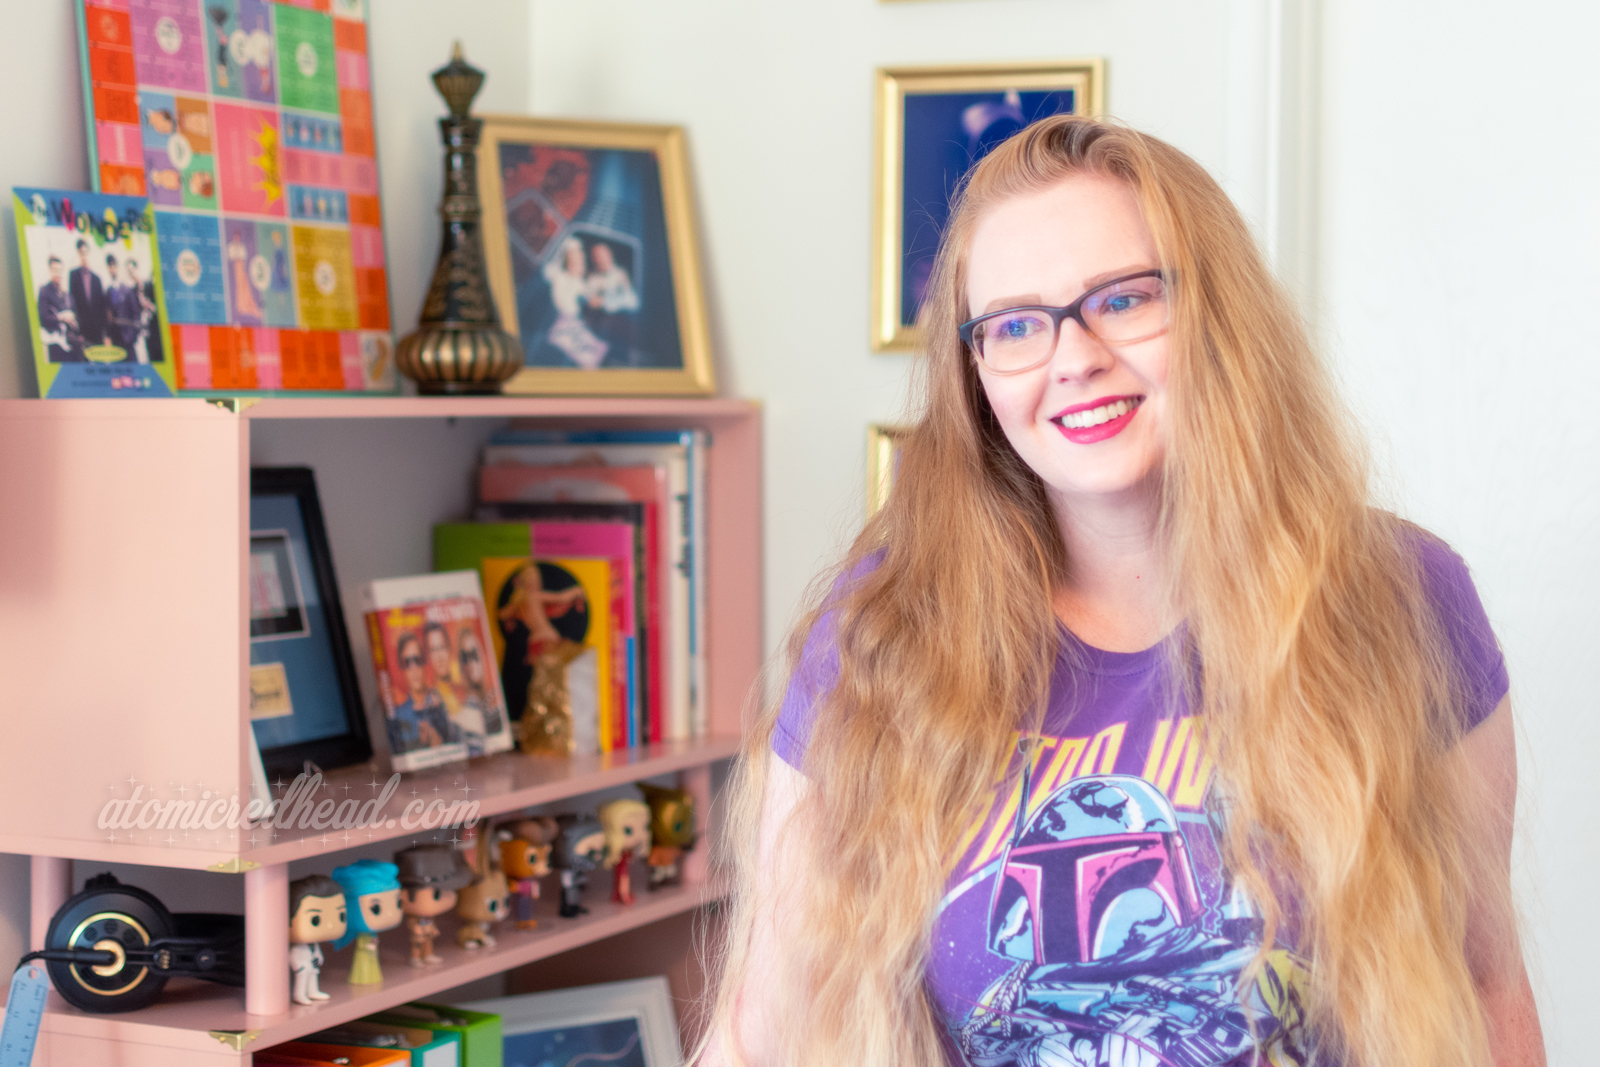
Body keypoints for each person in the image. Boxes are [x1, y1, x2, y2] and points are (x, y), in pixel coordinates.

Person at [702, 116, 1542, 1067]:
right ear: (975, 373)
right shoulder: (886, 631)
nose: (1074, 355)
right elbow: (766, 1026)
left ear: (1217, 314)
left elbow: (1484, 987)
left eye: (1125, 298)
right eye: (1014, 324)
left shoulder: (1402, 597)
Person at [387, 631, 459, 754]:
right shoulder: (397, 716)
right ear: (401, 667)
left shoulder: (443, 704)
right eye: (407, 662)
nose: (414, 668)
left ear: (425, 662)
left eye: (417, 660)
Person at [543, 237, 607, 369]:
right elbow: (548, 271)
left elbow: (591, 297)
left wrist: (600, 295)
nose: (579, 265)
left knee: (594, 353)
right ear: (566, 262)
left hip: (571, 322)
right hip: (561, 322)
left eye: (581, 261)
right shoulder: (558, 276)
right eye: (574, 261)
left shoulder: (579, 283)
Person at [453, 624, 504, 756]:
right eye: (465, 657)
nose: (470, 663)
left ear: (482, 655)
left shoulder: (496, 700)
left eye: (474, 654)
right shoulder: (462, 712)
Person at [584, 242, 640, 361]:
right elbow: (588, 302)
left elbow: (633, 301)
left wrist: (604, 301)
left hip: (620, 331)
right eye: (595, 256)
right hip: (597, 332)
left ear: (610, 255)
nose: (599, 259)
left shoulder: (620, 274)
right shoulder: (592, 278)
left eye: (602, 255)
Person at [36, 254, 83, 362]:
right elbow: (42, 318)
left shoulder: (68, 295)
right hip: (56, 345)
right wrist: (60, 317)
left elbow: (77, 316)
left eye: (60, 270)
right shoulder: (44, 291)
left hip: (72, 344)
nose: (58, 273)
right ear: (50, 270)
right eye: (55, 270)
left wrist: (73, 319)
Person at [68, 238, 108, 347]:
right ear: (78, 254)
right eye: (81, 253)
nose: (83, 256)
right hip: (82, 329)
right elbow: (72, 302)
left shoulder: (97, 279)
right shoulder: (73, 276)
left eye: (85, 253)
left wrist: (105, 333)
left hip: (97, 329)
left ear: (89, 253)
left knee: (99, 359)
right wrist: (77, 330)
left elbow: (102, 307)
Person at [105, 253, 142, 361]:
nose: (112, 269)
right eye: (110, 267)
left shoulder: (127, 290)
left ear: (118, 267)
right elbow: (108, 316)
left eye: (114, 266)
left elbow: (136, 313)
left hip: (128, 339)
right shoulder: (108, 291)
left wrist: (132, 336)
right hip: (116, 341)